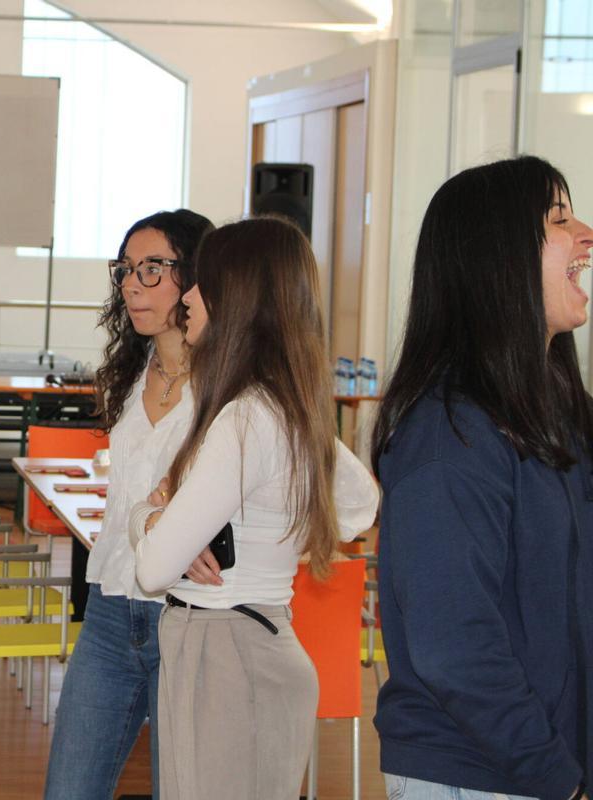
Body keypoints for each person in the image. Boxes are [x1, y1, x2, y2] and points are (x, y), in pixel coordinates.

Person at [130, 216, 380, 799]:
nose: (188, 297)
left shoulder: (246, 419)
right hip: (244, 645)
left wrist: (150, 517)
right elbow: (359, 504)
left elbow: (153, 568)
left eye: (203, 283)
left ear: (237, 299)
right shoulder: (280, 408)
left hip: (226, 653)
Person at [370, 156, 593, 800]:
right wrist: (558, 778)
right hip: (480, 775)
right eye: (559, 219)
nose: (585, 234)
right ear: (498, 258)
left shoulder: (556, 416)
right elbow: (455, 645)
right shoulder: (451, 435)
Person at [44, 209, 214, 799]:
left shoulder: (230, 384)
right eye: (125, 270)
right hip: (111, 608)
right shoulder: (130, 372)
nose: (132, 285)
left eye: (152, 269)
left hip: (187, 618)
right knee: (69, 789)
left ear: (195, 276)